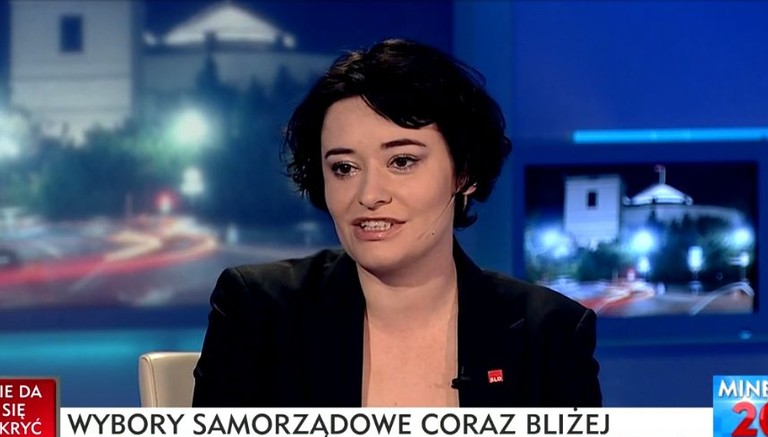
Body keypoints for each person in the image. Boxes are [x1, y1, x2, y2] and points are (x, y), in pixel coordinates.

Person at [192, 39, 602, 407]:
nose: (369, 195)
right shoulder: (259, 311)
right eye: (344, 167)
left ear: (464, 173)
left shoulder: (549, 333)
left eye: (402, 161)